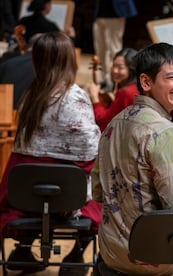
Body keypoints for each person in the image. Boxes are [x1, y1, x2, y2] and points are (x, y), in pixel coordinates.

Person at [93, 42, 173, 275]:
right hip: (151, 258)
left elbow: (99, 192)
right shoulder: (164, 131)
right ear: (146, 82)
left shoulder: (113, 124)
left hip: (111, 253)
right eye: (172, 77)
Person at [0, 32, 101, 275]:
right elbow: (92, 153)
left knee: (34, 177)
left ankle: (23, 248)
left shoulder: (29, 97)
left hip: (26, 197)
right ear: (70, 61)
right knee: (104, 187)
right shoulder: (76, 97)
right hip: (70, 200)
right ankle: (76, 253)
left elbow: (21, 157)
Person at [87, 47, 140, 131]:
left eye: (120, 67)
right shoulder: (138, 87)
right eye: (114, 66)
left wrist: (94, 98)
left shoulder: (126, 92)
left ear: (132, 69)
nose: (115, 71)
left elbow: (104, 121)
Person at [93, 0, 137, 91]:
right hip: (100, 12)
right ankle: (105, 79)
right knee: (100, 50)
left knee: (114, 51)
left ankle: (114, 81)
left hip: (115, 12)